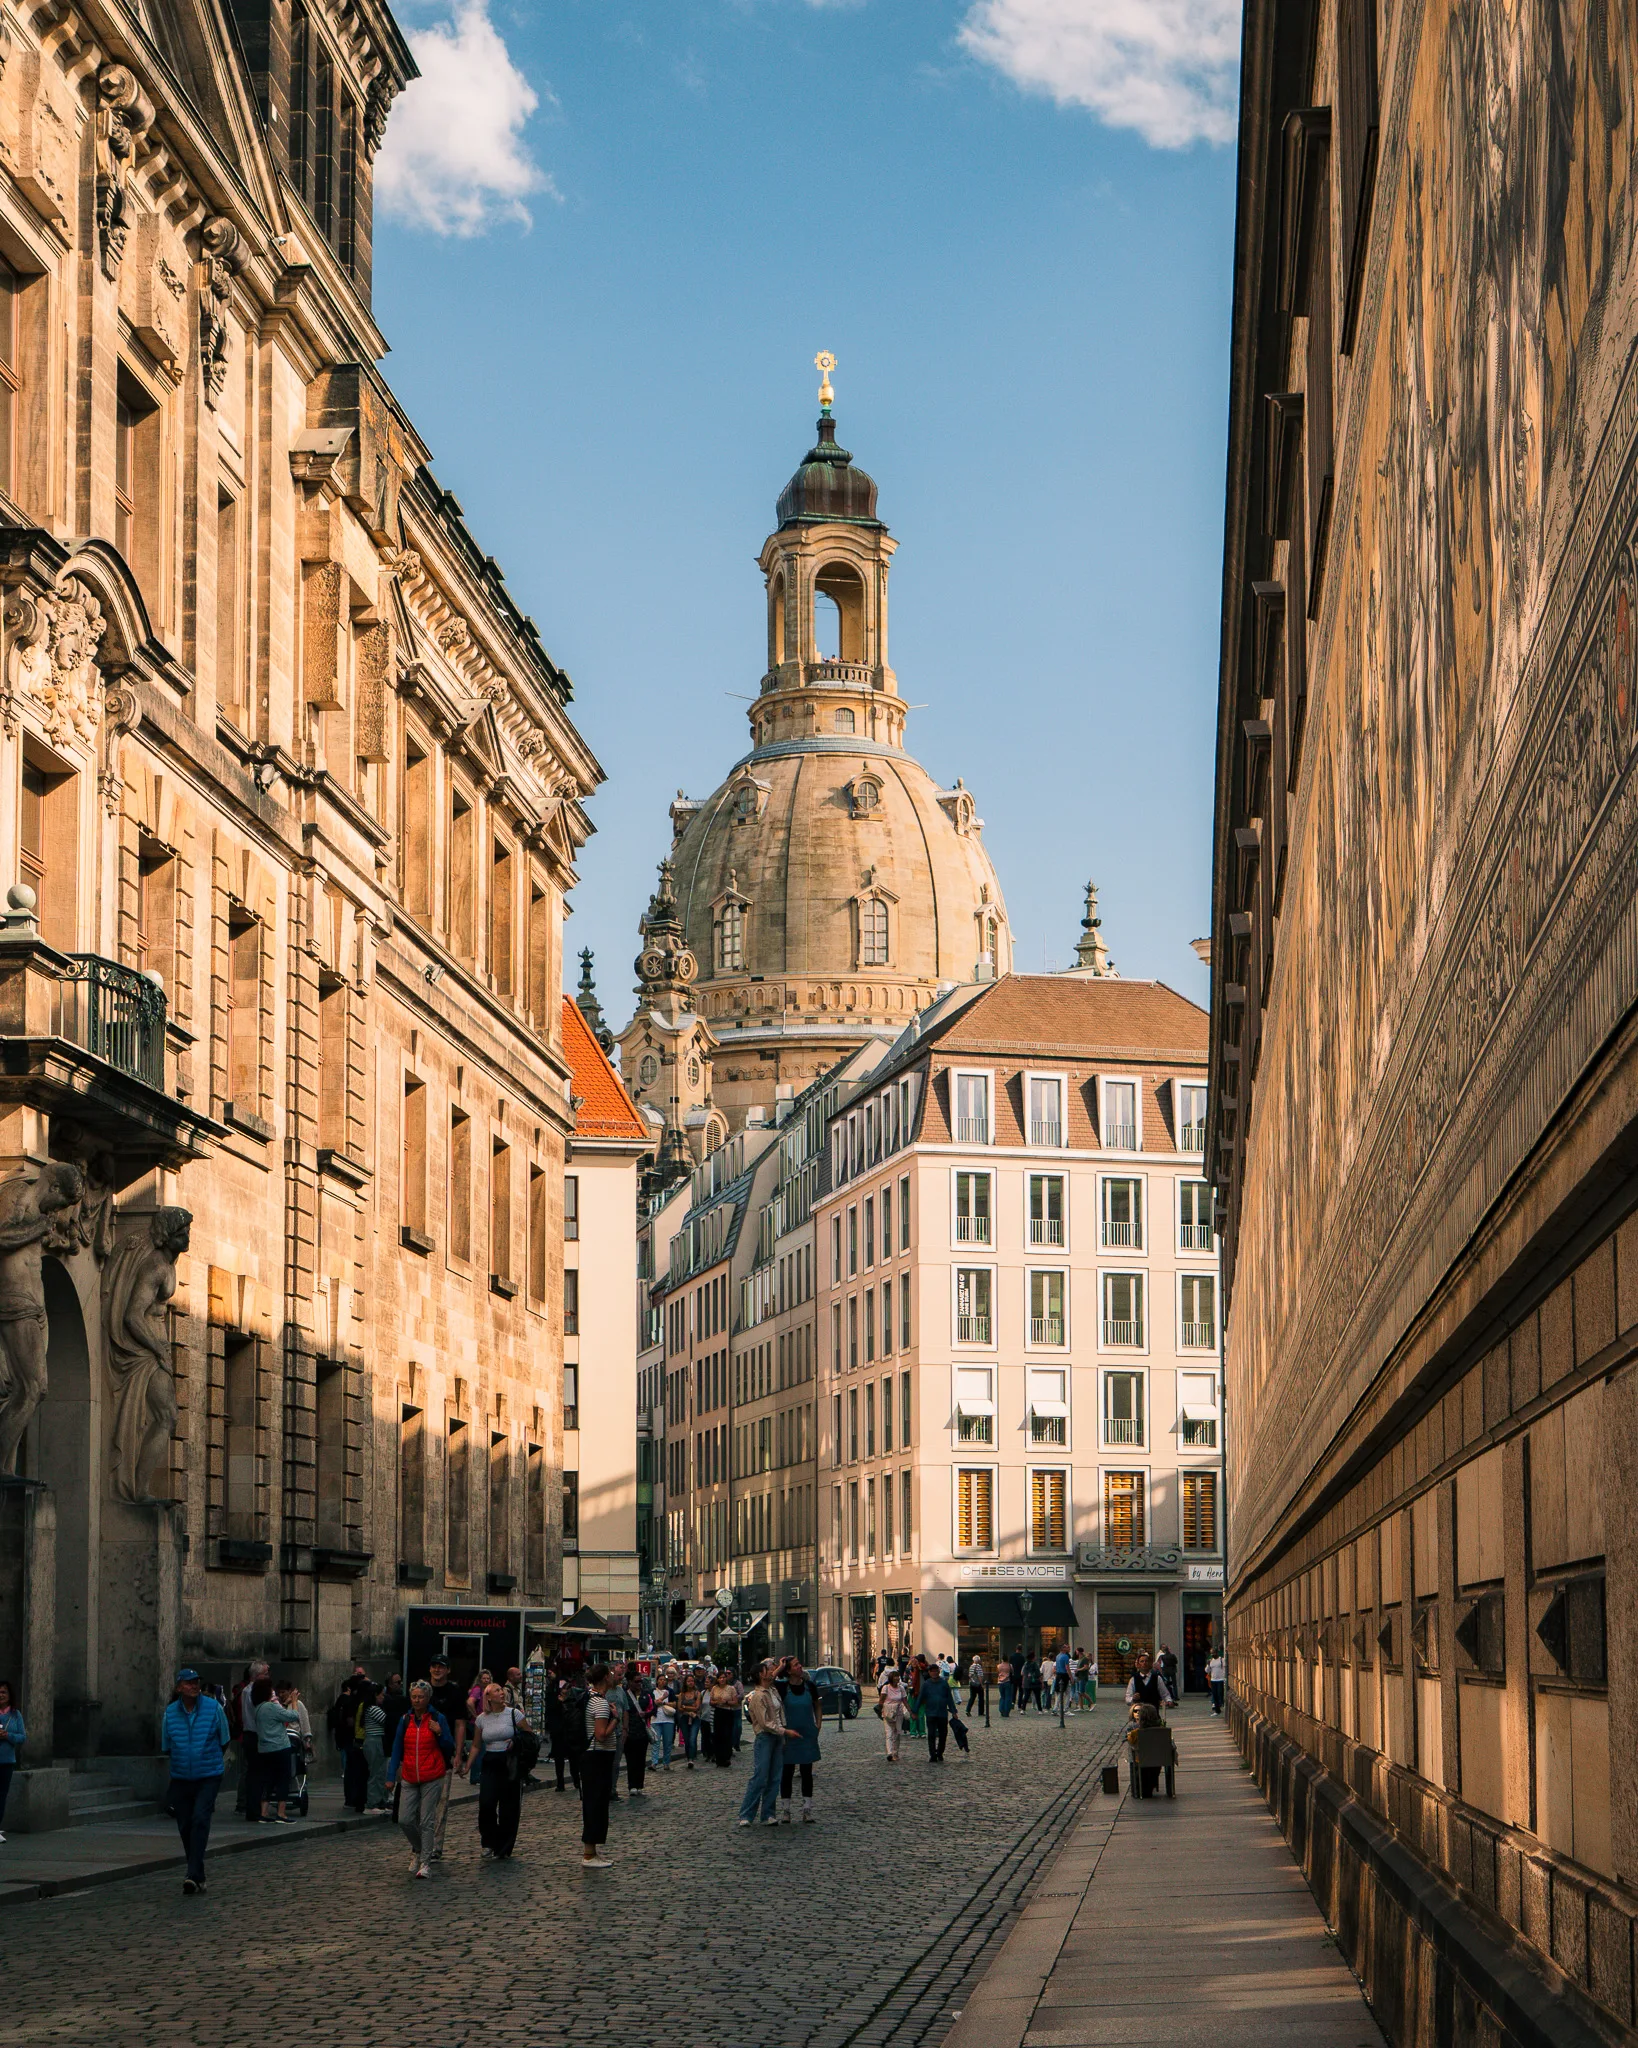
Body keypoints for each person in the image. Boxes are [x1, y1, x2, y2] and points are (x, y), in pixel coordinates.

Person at [161, 1668, 231, 1894]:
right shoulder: (170, 1713)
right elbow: (167, 1746)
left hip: (209, 1776)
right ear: (179, 1687)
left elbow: (224, 1740)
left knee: (201, 1818)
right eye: (189, 1683)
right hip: (181, 1778)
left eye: (196, 1682)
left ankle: (191, 1874)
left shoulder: (213, 1708)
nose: (194, 1686)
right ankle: (197, 1872)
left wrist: (208, 1760)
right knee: (185, 1825)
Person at [385, 1680, 453, 1879]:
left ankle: (425, 1862)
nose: (417, 1700)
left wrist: (439, 1732)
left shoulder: (437, 1718)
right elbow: (397, 1748)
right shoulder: (405, 1719)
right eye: (414, 1696)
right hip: (409, 1775)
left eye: (420, 1697)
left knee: (426, 1820)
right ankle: (419, 1848)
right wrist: (391, 1777)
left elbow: (448, 1746)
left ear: (428, 1698)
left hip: (432, 1775)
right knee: (404, 1819)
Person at [472, 1680, 531, 1859]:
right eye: (497, 1691)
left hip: (509, 1762)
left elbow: (529, 1736)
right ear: (488, 1697)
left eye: (502, 1690)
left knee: (509, 1807)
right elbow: (476, 1745)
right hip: (490, 1762)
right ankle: (489, 1841)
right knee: (487, 1804)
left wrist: (516, 1742)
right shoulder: (481, 1719)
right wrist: (467, 1765)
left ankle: (504, 1847)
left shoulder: (514, 1714)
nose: (502, 1693)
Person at [425, 1655, 472, 1860]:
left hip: (444, 1752)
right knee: (420, 1802)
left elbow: (460, 1724)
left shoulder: (454, 1693)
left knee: (441, 1801)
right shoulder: (423, 1691)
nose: (437, 1670)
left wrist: (458, 1752)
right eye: (434, 1666)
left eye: (441, 1667)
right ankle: (420, 1843)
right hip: (421, 1750)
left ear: (448, 1670)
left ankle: (435, 1845)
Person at [737, 1659, 790, 1826]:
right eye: (768, 1669)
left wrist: (781, 1666)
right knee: (760, 1777)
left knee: (775, 1777)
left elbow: (779, 1713)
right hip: (765, 1737)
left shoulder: (772, 1690)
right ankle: (746, 1814)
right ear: (761, 1675)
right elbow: (765, 1722)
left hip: (777, 1737)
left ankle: (768, 1814)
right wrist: (785, 1731)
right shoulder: (758, 1696)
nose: (771, 1671)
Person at [579, 1664, 621, 1868]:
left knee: (594, 1803)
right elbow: (601, 1735)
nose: (613, 1677)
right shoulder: (600, 1704)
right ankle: (589, 1854)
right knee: (596, 1804)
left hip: (592, 1757)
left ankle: (592, 1850)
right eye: (610, 1674)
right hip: (597, 1756)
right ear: (605, 1677)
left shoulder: (591, 1698)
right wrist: (616, 1720)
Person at [776, 1660, 821, 1822]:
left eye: (800, 1664)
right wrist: (779, 1667)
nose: (800, 1666)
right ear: (788, 1671)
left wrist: (818, 1725)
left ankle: (807, 1809)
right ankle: (786, 1811)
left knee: (806, 1773)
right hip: (788, 1735)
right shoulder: (782, 1687)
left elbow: (817, 1705)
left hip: (807, 1735)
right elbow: (765, 1684)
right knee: (786, 1773)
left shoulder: (810, 1686)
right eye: (795, 1665)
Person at [250, 1677, 299, 1823]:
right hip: (280, 1747)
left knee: (268, 1780)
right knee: (283, 1779)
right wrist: (294, 1701)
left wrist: (285, 1704)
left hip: (264, 1749)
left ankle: (264, 1813)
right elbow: (293, 1716)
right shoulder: (271, 1706)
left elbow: (277, 1716)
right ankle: (281, 1813)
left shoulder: (258, 1708)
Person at [1125, 1650, 1174, 1797]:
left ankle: (1152, 1780)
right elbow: (1127, 1698)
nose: (1144, 1664)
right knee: (1139, 1752)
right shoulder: (1133, 1680)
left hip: (1154, 1719)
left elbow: (1165, 1693)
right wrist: (1133, 1698)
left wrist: (1169, 1701)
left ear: (1150, 1664)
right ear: (1137, 1664)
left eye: (1146, 1661)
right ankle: (1141, 1783)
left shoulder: (1156, 1678)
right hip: (1139, 1720)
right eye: (1141, 1661)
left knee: (1156, 1752)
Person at [619, 1661, 653, 1797]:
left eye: (640, 1681)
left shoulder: (646, 1694)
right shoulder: (625, 1694)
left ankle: (639, 1784)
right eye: (636, 1681)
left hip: (642, 1732)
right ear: (630, 1682)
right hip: (630, 1731)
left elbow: (653, 1708)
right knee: (631, 1759)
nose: (639, 1684)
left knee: (641, 1759)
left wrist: (647, 1714)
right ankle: (632, 1785)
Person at [549, 1672, 587, 1791]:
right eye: (564, 1689)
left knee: (574, 1759)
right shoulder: (554, 1700)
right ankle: (560, 1783)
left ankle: (576, 1780)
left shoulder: (574, 1700)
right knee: (559, 1760)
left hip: (572, 1733)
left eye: (567, 1688)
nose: (565, 1691)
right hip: (559, 1734)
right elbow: (552, 1714)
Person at [0, 1679, 24, 1841]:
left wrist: (8, 1736)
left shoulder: (15, 1715)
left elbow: (22, 1737)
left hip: (7, 1761)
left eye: (3, 1692)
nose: (0, 1695)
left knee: (1, 1796)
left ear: (9, 1696)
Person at [360, 1680, 390, 1811]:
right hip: (374, 1741)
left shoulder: (371, 1708)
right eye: (381, 1695)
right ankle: (373, 1802)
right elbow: (386, 1721)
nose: (383, 1697)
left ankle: (381, 1800)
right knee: (376, 1772)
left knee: (381, 1772)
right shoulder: (373, 1709)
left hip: (377, 1741)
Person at [919, 1661, 955, 1763]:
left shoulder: (944, 1683)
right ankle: (932, 1755)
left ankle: (940, 1753)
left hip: (942, 1713)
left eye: (936, 1671)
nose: (934, 1673)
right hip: (930, 1713)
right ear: (929, 1673)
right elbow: (920, 1698)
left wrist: (953, 1711)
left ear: (939, 1672)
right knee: (931, 1734)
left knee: (943, 1734)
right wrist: (914, 1711)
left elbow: (949, 1698)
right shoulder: (926, 1684)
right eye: (932, 1671)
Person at [708, 1668, 739, 1768]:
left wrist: (726, 1702)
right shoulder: (714, 1688)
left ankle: (727, 1757)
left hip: (728, 1712)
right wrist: (717, 1702)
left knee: (727, 1734)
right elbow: (711, 1702)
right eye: (720, 1678)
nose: (722, 1679)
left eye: (724, 1677)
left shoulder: (731, 1688)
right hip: (718, 1712)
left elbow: (735, 1702)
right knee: (718, 1735)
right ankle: (719, 1758)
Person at [676, 1666, 703, 1768]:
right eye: (689, 1681)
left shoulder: (697, 1693)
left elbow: (697, 1707)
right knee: (687, 1739)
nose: (691, 1683)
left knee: (692, 1738)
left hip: (695, 1718)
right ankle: (689, 1757)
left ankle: (692, 1758)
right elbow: (679, 1708)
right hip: (684, 1718)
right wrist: (686, 1708)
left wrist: (685, 1707)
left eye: (692, 1681)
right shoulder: (682, 1694)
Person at [878, 1665, 907, 1762]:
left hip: (898, 1713)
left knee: (897, 1733)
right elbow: (881, 1701)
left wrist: (911, 1712)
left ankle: (895, 1753)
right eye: (895, 1677)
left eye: (898, 1677)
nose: (897, 1679)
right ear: (891, 1679)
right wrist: (881, 1711)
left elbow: (905, 1701)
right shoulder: (885, 1688)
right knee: (889, 1733)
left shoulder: (901, 1688)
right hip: (888, 1713)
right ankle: (890, 1753)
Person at [650, 1677, 676, 1771]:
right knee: (656, 1742)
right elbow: (651, 1704)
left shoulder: (670, 1691)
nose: (662, 1681)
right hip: (655, 1719)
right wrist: (661, 1699)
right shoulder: (652, 1691)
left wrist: (664, 1703)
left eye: (664, 1680)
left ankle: (666, 1762)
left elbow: (674, 1704)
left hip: (668, 1719)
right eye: (660, 1679)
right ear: (657, 1681)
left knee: (667, 1742)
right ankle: (654, 1762)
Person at [1207, 1649, 1227, 1716]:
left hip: (1220, 1679)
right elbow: (1207, 1670)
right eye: (1211, 1653)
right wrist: (1208, 1665)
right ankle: (1217, 1710)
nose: (1213, 1655)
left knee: (1220, 1693)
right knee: (1214, 1695)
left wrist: (1224, 1678)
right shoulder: (1211, 1661)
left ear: (1217, 1653)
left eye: (1214, 1653)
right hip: (1213, 1680)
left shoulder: (1221, 1660)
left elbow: (1224, 1669)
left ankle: (1221, 1703)